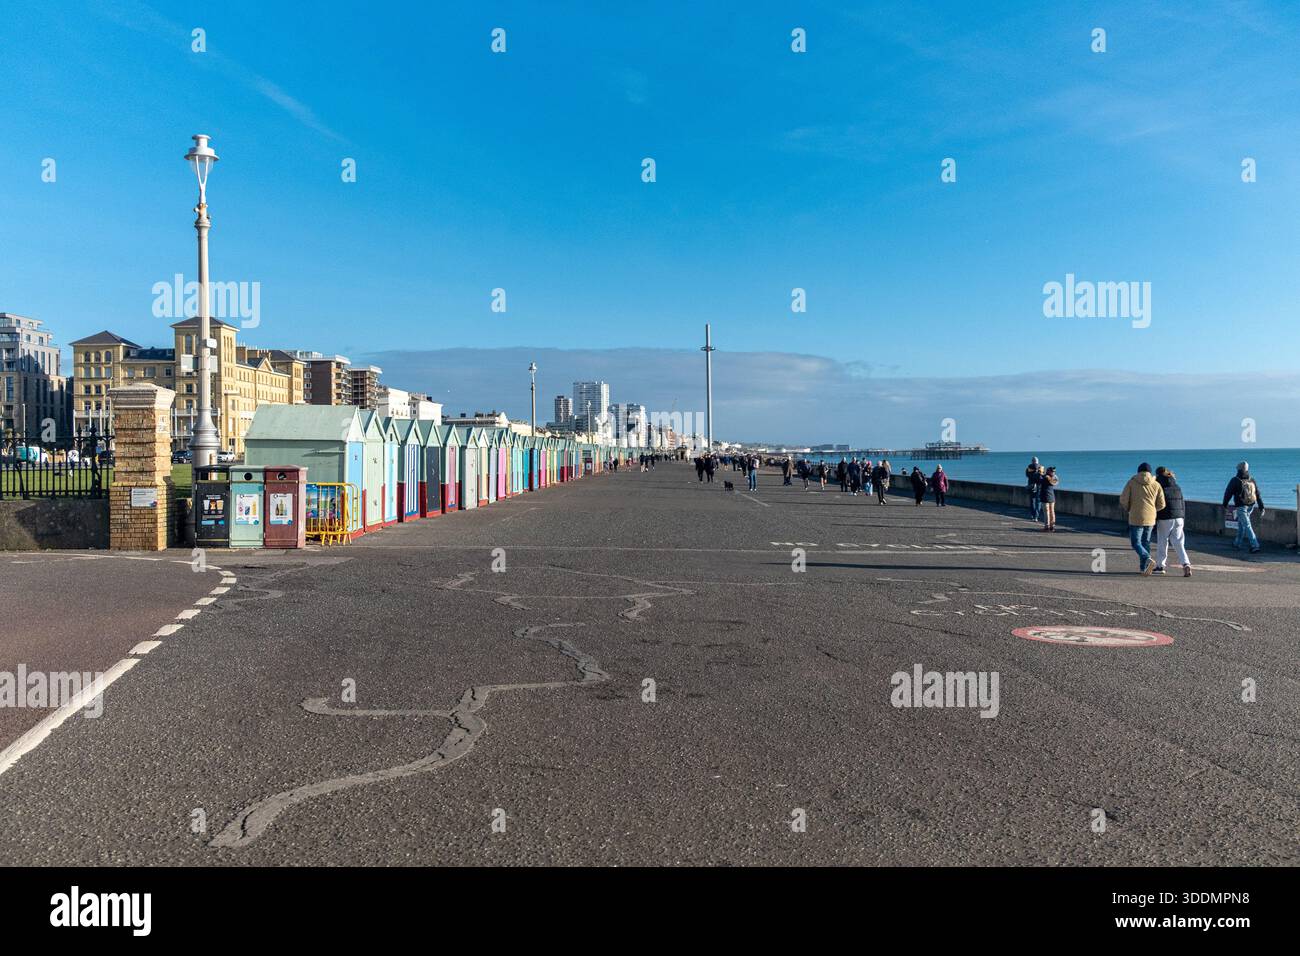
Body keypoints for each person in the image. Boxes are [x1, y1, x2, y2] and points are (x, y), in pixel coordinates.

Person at [1119, 462, 1165, 573]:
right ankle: (1143, 568)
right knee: (1146, 542)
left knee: (1136, 543)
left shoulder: (1131, 482)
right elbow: (1162, 504)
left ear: (1138, 471)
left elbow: (1123, 500)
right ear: (1150, 472)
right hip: (1150, 518)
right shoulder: (1156, 484)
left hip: (1135, 517)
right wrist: (1153, 510)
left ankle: (1146, 559)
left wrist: (1129, 508)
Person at [1153, 467, 1191, 577]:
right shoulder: (1177, 487)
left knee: (1162, 541)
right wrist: (1182, 516)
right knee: (1179, 543)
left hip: (1165, 517)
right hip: (1179, 517)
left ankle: (1160, 566)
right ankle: (1186, 563)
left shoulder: (1159, 486)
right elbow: (1182, 503)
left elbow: (1158, 504)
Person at [1223, 460, 1265, 554]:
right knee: (1242, 525)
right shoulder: (1251, 479)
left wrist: (1225, 504)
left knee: (1247, 525)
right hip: (1251, 505)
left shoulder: (1235, 480)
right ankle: (1237, 543)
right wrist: (1261, 506)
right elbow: (1257, 494)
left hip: (1241, 506)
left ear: (1238, 469)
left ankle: (1255, 545)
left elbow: (1228, 493)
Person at [1038, 466, 1058, 531]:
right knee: (1052, 512)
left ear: (1047, 471)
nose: (1053, 472)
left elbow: (1039, 480)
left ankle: (1047, 527)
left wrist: (1040, 472)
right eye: (1053, 471)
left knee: (1046, 512)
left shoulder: (1045, 477)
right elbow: (1054, 482)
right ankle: (1052, 526)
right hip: (1052, 497)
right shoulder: (1055, 478)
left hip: (1045, 496)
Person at [1026, 457, 1041, 522]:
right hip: (1038, 486)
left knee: (1033, 501)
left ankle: (1034, 515)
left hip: (1033, 485)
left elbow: (1028, 475)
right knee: (1037, 501)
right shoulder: (1041, 468)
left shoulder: (1029, 468)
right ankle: (1035, 516)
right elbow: (1042, 476)